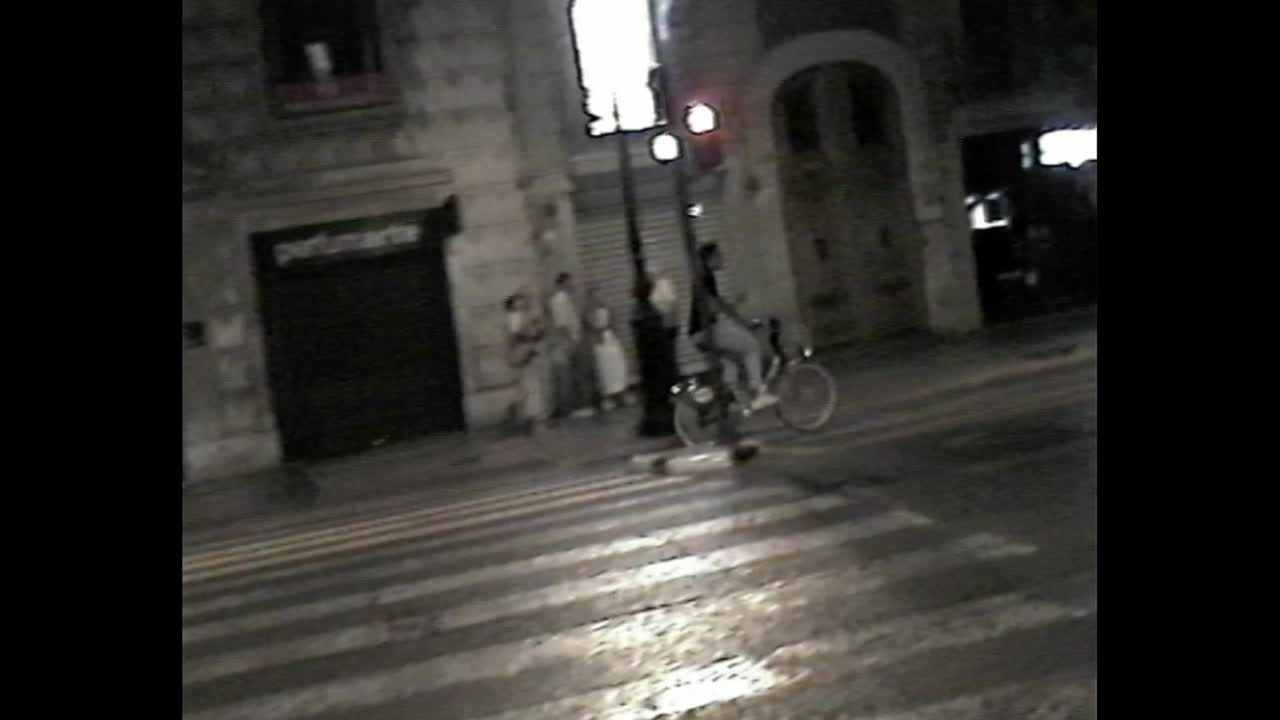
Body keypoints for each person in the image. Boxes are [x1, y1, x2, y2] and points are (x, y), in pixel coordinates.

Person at [689, 243, 777, 410]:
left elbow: (716, 303)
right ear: (710, 258)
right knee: (751, 347)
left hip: (698, 334)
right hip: (705, 331)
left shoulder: (703, 277)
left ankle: (730, 401)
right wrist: (736, 315)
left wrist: (733, 311)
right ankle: (758, 393)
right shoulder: (705, 276)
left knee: (731, 362)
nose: (722, 259)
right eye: (719, 256)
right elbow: (713, 305)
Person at [548, 272, 595, 418]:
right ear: (563, 283)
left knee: (578, 372)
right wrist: (571, 341)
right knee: (576, 373)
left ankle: (579, 406)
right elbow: (562, 324)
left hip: (574, 338)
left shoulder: (566, 299)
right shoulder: (559, 300)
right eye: (570, 282)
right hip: (570, 341)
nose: (573, 284)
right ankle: (576, 407)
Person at [504, 290, 549, 433]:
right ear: (513, 304)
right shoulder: (513, 318)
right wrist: (532, 335)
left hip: (525, 354)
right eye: (519, 300)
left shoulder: (520, 317)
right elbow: (518, 336)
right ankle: (532, 421)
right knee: (529, 388)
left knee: (530, 387)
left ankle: (532, 420)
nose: (522, 303)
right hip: (522, 355)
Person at [583, 288, 631, 411]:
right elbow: (591, 325)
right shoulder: (588, 312)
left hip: (610, 339)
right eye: (594, 296)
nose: (598, 298)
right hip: (599, 342)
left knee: (617, 365)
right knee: (604, 369)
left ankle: (620, 393)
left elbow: (613, 322)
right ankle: (608, 397)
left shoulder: (607, 308)